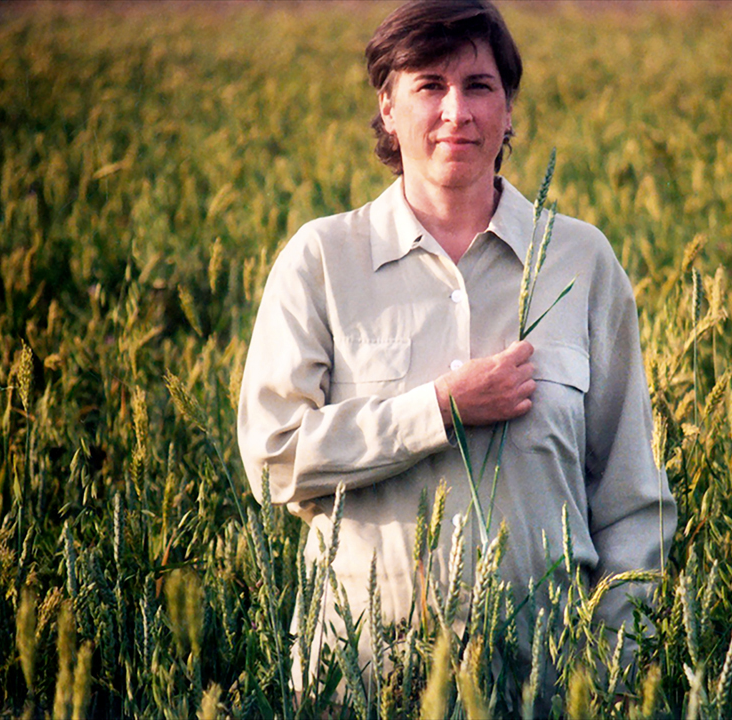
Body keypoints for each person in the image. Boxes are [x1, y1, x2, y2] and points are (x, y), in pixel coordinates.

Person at [237, 0, 676, 699]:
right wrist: (437, 409)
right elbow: (273, 458)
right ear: (387, 106)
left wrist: (609, 670)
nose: (456, 111)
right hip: (361, 688)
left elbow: (632, 498)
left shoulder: (580, 260)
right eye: (429, 86)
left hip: (543, 687)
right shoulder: (321, 260)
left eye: (479, 86)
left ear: (508, 110)